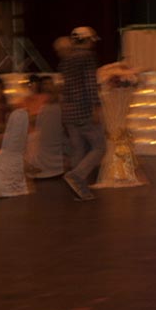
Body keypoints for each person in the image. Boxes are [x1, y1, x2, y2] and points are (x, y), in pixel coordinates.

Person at [59, 26, 105, 201]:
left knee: (77, 149)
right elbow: (90, 84)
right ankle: (76, 176)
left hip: (69, 111)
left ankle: (79, 190)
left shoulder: (66, 59)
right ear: (86, 40)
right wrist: (95, 107)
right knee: (100, 147)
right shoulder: (86, 57)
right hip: (84, 110)